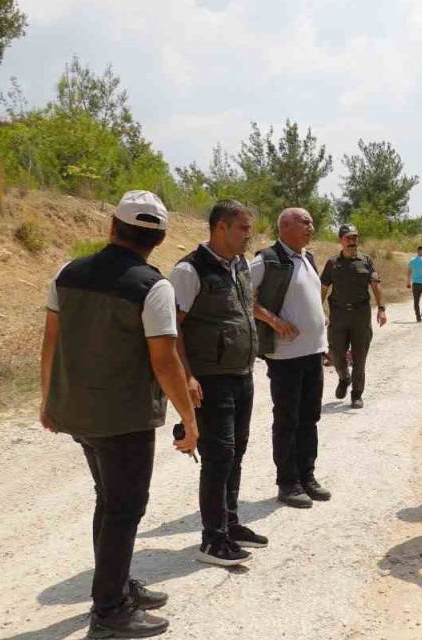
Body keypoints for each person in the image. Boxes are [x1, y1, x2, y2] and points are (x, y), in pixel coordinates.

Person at [39, 190, 198, 638]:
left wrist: (47, 399)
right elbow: (165, 362)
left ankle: (116, 584)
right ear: (161, 238)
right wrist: (191, 419)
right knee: (125, 508)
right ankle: (110, 610)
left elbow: (50, 340)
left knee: (109, 501)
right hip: (123, 419)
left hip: (78, 412)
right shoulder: (153, 286)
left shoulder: (67, 273)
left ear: (112, 227)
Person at [169, 199, 264, 567]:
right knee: (218, 456)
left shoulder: (239, 265)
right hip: (210, 380)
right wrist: (187, 375)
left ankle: (230, 521)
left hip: (241, 375)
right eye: (242, 228)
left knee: (236, 451)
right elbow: (171, 328)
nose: (247, 235)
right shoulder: (189, 271)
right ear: (220, 228)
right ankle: (213, 538)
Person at [251, 208, 332, 509]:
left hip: (313, 353)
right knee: (287, 419)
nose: (311, 226)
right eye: (305, 222)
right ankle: (288, 483)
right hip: (286, 357)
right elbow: (242, 294)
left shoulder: (307, 257)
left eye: (312, 221)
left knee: (309, 417)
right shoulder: (267, 260)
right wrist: (273, 321)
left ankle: (307, 476)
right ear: (285, 225)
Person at [320, 224, 386, 408]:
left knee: (360, 357)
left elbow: (375, 286)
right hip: (339, 314)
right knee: (336, 354)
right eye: (348, 238)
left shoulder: (366, 261)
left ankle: (357, 395)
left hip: (360, 315)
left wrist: (381, 308)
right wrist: (318, 312)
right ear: (341, 240)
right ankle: (344, 377)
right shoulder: (332, 263)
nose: (352, 242)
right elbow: (324, 288)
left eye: (355, 238)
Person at [407, 245, 422, 322]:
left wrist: (408, 282)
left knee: (416, 301)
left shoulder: (412, 260)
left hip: (415, 284)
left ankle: (418, 317)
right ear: (419, 251)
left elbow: (409, 272)